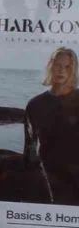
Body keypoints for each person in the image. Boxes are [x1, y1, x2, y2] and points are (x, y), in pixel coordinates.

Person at [23, 47, 79, 205]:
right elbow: (29, 148)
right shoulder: (35, 104)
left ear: (73, 70)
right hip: (49, 177)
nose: (61, 70)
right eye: (58, 65)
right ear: (50, 66)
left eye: (67, 66)